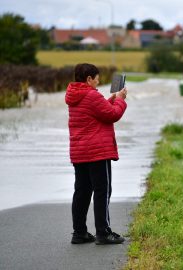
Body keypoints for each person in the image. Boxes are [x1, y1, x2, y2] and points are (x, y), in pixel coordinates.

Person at [65, 63, 127, 245]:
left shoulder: (74, 94)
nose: (99, 82)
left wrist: (112, 99)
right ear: (88, 79)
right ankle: (103, 233)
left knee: (82, 191)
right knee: (102, 191)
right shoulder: (91, 95)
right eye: (97, 78)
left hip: (80, 151)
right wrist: (121, 100)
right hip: (97, 152)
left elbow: (97, 112)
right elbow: (112, 115)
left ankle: (79, 233)